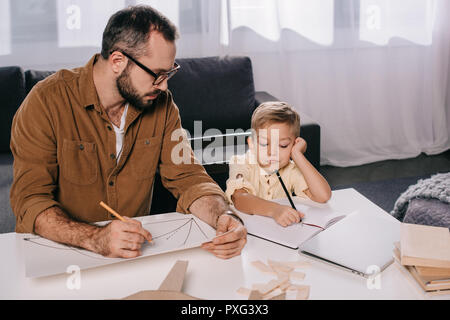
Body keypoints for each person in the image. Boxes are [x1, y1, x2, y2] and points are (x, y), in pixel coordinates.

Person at [10, 5, 246, 260]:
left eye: (169, 73)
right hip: (60, 252)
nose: (164, 85)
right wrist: (94, 238)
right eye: (157, 74)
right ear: (117, 61)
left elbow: (188, 178)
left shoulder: (162, 104)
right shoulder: (46, 101)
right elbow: (31, 201)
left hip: (132, 253)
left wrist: (224, 216)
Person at [225, 102, 332, 227]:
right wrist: (275, 210)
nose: (272, 152)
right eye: (264, 144)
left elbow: (323, 196)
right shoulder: (241, 162)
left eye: (283, 145)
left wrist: (297, 155)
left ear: (293, 144)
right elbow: (240, 199)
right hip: (246, 232)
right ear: (252, 144)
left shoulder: (290, 169)